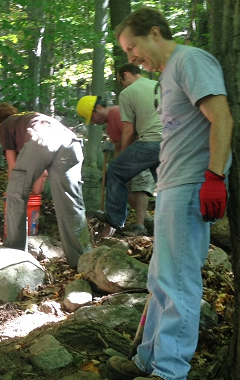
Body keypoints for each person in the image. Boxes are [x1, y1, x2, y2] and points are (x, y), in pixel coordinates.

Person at [107, 7, 232, 380]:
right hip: (171, 184)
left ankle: (170, 372)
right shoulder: (165, 77)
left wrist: (214, 177)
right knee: (160, 280)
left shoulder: (191, 61)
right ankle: (147, 361)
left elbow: (222, 117)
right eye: (127, 53)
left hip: (192, 184)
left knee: (178, 282)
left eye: (133, 48)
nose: (131, 58)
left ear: (156, 33)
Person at [0, 104, 92, 268]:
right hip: (71, 141)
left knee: (15, 194)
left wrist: (17, 189)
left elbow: (13, 168)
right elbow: (43, 173)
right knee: (71, 203)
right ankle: (82, 260)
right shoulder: (29, 118)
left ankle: (14, 256)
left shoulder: (5, 125)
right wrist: (35, 196)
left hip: (41, 139)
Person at [77, 63, 162, 239]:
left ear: (126, 75)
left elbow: (129, 132)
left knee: (116, 172)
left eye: (120, 80)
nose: (122, 84)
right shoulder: (157, 85)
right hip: (170, 141)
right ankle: (166, 226)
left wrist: (117, 162)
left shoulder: (126, 95)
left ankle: (116, 220)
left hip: (150, 142)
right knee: (165, 186)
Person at [0, 103, 48, 195]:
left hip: (35, 139)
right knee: (41, 173)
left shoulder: (4, 126)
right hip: (58, 134)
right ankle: (34, 202)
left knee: (39, 173)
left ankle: (29, 203)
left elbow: (13, 166)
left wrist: (11, 193)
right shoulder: (23, 120)